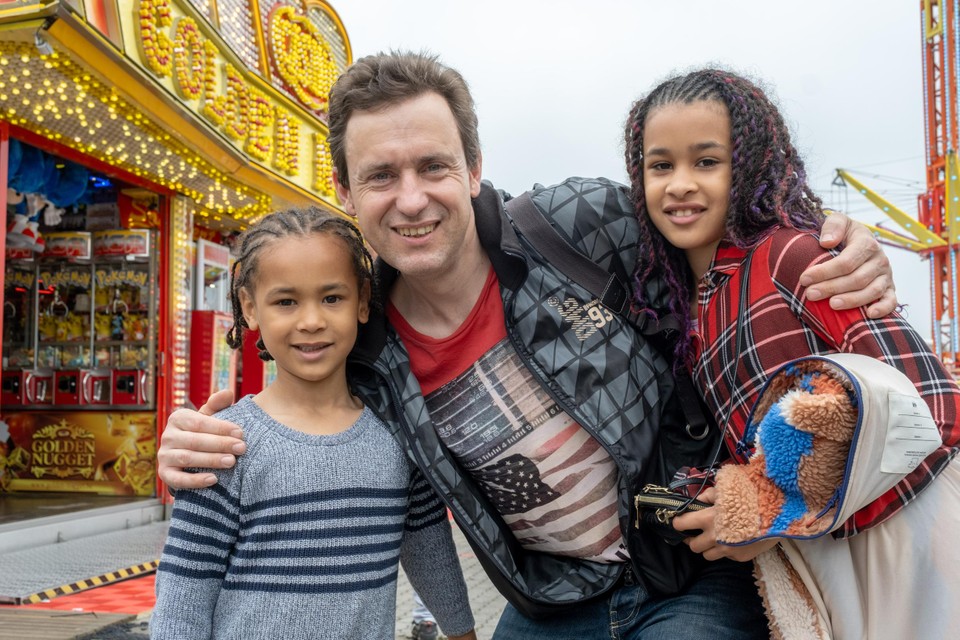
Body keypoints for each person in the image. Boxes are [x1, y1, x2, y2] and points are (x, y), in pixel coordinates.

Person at [156, 52, 898, 639]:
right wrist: (191, 445)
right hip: (553, 600)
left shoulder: (573, 224)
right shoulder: (360, 341)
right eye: (381, 176)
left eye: (433, 167)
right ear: (345, 193)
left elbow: (716, 236)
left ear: (474, 168)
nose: (411, 199)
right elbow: (295, 409)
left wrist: (823, 240)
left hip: (693, 571)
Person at [624, 68, 960, 638]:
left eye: (706, 162)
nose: (680, 184)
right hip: (825, 564)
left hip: (910, 546)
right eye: (662, 166)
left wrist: (765, 511)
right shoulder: (692, 306)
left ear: (750, 165)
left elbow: (935, 408)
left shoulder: (793, 257)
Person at [150, 207, 476, 640]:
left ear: (362, 301)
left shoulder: (399, 435)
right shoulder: (224, 444)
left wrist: (462, 632)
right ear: (250, 307)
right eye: (286, 301)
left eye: (332, 297)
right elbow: (185, 593)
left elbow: (428, 546)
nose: (311, 321)